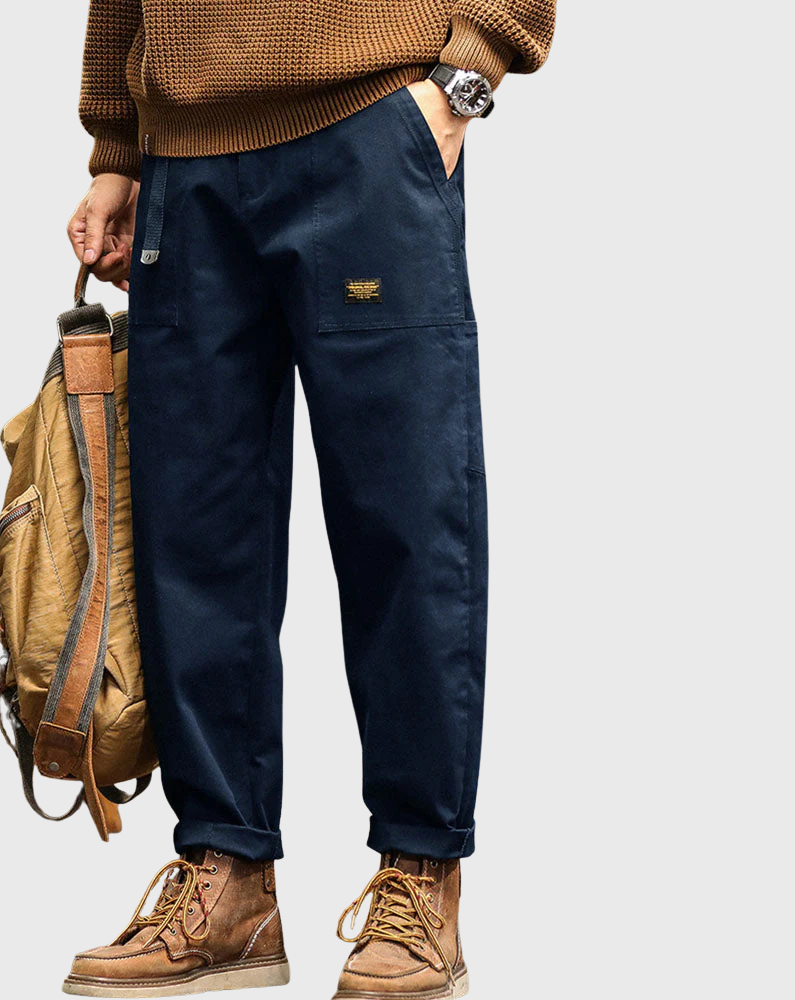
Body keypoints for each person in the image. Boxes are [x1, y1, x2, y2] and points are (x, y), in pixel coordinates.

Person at [63, 3, 554, 997]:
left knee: (403, 517)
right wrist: (116, 145)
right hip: (182, 159)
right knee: (192, 533)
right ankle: (228, 879)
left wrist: (466, 76)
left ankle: (421, 874)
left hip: (366, 125)